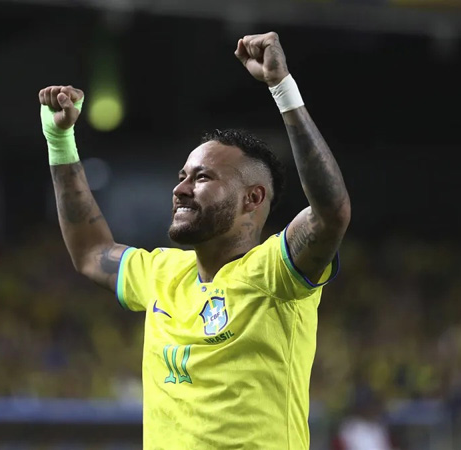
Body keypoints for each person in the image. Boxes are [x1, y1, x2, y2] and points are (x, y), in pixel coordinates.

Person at [38, 32, 351, 449]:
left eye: (201, 178)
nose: (181, 189)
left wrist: (282, 89)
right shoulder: (161, 274)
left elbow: (330, 214)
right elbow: (91, 252)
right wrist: (60, 143)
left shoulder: (275, 274)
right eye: (181, 176)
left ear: (252, 198)